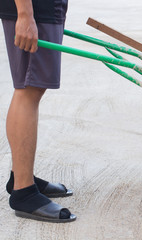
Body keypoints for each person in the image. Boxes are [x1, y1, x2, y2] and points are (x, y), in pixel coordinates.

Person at [0, 0, 76, 222]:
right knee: (28, 89)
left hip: (44, 8)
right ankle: (23, 191)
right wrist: (25, 13)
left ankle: (20, 177)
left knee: (32, 87)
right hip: (33, 8)